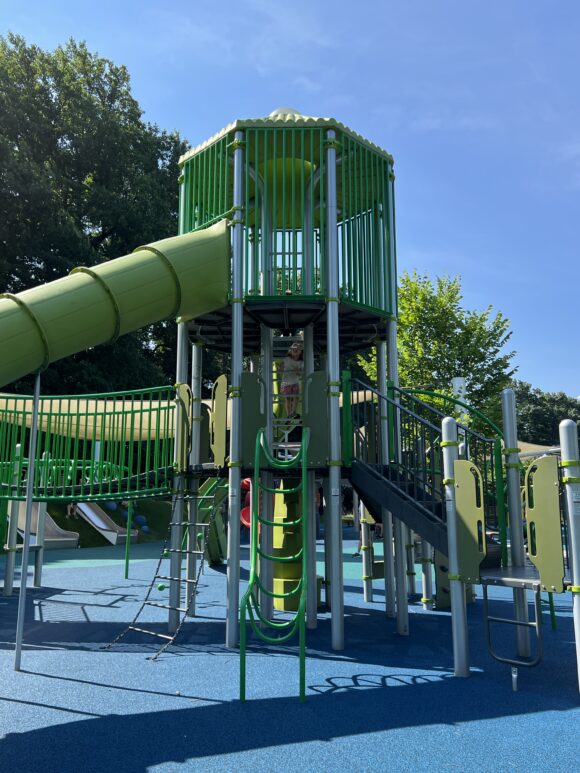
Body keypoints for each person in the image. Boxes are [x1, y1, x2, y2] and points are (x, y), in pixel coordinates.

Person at [280, 341, 303, 417]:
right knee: (288, 399)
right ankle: (289, 414)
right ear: (290, 351)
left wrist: (297, 371)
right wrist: (280, 368)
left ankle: (293, 412)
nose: (295, 351)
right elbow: (281, 368)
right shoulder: (286, 359)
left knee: (296, 397)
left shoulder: (300, 362)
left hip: (295, 382)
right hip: (286, 382)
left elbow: (300, 373)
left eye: (297, 350)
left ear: (300, 352)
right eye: (294, 349)